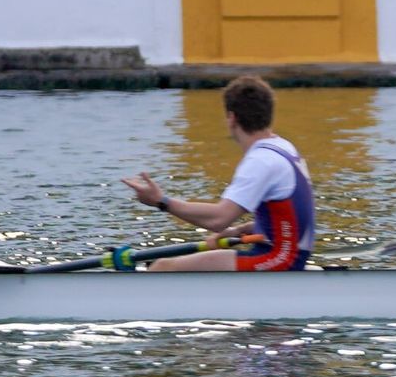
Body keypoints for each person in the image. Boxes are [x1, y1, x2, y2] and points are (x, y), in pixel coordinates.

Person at [122, 76, 314, 271]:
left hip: (279, 260)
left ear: (232, 118)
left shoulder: (261, 160)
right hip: (287, 256)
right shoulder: (284, 147)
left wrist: (161, 201)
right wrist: (240, 230)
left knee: (163, 267)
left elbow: (218, 219)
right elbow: (287, 218)